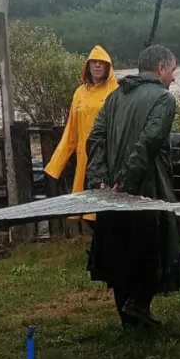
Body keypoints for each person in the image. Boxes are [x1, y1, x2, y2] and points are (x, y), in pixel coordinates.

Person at [85, 44, 180, 329]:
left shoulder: (115, 96)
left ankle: (129, 315)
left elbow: (95, 139)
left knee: (119, 247)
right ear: (161, 68)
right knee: (160, 245)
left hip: (111, 189)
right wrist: (127, 183)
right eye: (173, 70)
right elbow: (150, 141)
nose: (174, 78)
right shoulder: (163, 99)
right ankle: (138, 305)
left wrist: (100, 179)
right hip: (145, 184)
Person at [44, 45, 119, 227]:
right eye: (94, 62)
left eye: (102, 63)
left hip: (107, 158)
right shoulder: (79, 92)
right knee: (88, 209)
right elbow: (71, 131)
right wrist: (56, 165)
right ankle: (99, 249)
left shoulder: (117, 90)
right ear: (87, 66)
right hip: (84, 159)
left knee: (107, 209)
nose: (98, 66)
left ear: (108, 67)